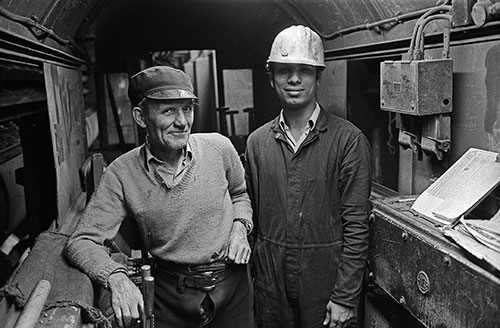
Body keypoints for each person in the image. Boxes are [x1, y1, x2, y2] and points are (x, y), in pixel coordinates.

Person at [65, 66, 254, 328]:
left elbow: (239, 194)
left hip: (233, 290)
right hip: (170, 297)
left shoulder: (219, 148)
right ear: (141, 117)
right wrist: (116, 277)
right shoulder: (121, 173)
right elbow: (82, 241)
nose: (182, 122)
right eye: (169, 111)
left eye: (187, 109)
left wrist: (240, 226)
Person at [245, 25, 372, 328]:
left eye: (304, 70)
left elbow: (357, 226)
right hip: (271, 290)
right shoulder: (257, 143)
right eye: (284, 70)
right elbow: (248, 220)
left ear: (318, 76)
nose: (293, 79)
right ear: (272, 77)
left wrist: (344, 297)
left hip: (327, 289)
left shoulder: (348, 141)